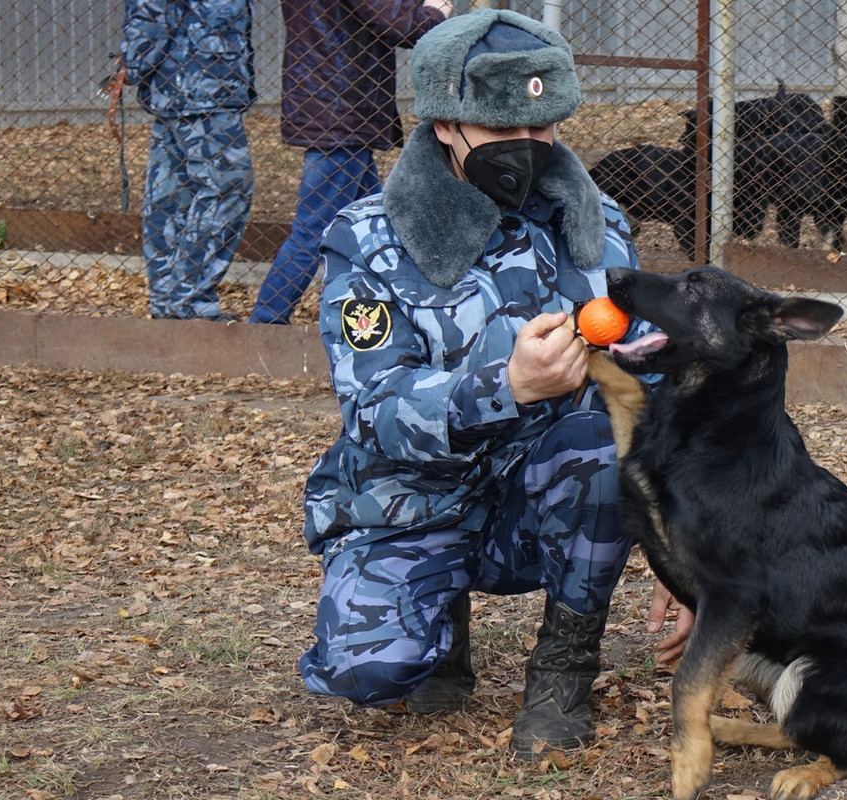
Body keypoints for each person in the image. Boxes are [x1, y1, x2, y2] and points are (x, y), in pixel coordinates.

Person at [297, 8, 693, 760]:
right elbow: (373, 411)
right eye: (504, 129)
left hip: (548, 495)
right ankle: (438, 622)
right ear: (445, 124)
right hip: (416, 500)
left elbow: (653, 384)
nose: (530, 150)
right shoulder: (368, 236)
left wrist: (688, 554)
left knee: (602, 439)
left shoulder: (597, 223)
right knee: (368, 672)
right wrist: (504, 386)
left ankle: (563, 671)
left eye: (544, 128)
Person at [247, 0, 452, 325]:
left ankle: (393, 313)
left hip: (334, 106)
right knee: (314, 229)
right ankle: (265, 321)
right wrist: (434, 12)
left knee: (381, 224)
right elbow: (401, 25)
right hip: (341, 111)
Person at [120, 0, 256, 321]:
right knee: (228, 186)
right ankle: (189, 299)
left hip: (183, 86)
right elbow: (150, 15)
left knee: (172, 196)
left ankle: (169, 302)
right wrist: (137, 62)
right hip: (200, 86)